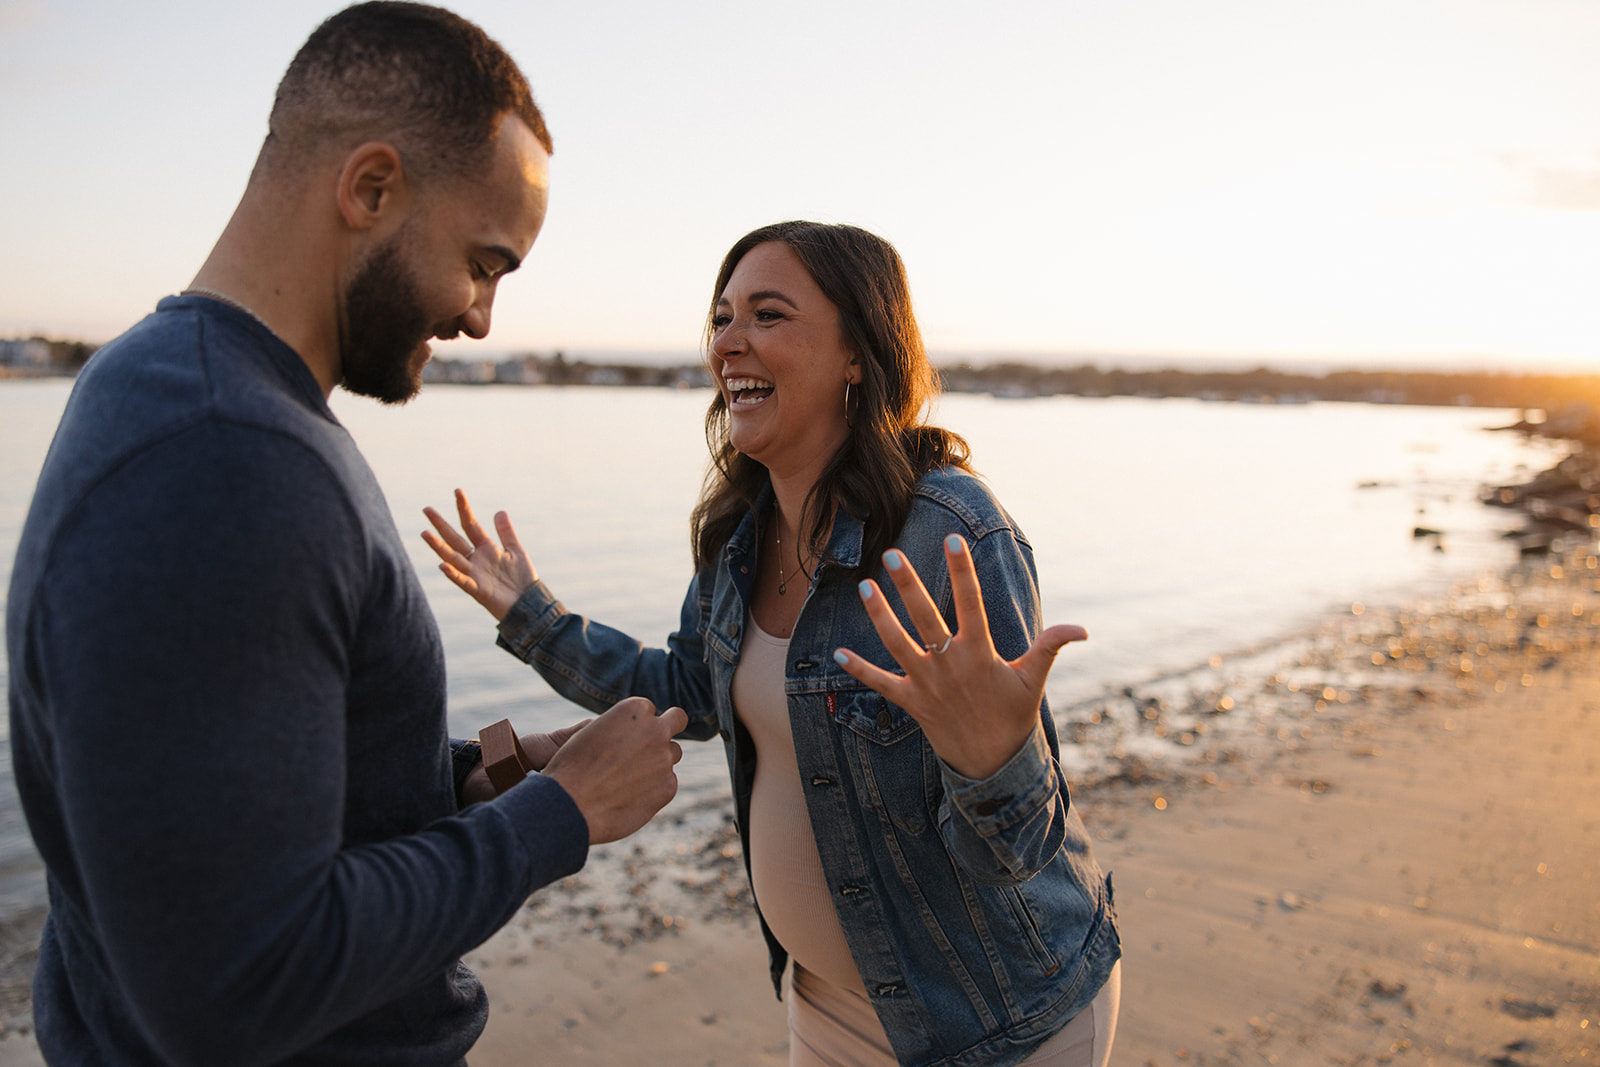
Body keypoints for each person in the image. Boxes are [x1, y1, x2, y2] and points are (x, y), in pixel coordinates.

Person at [4, 4, 686, 1064]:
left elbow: (237, 811)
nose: (480, 319)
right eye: (484, 260)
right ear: (370, 189)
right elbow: (235, 980)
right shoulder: (226, 455)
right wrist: (557, 816)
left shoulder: (169, 384)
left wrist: (464, 777)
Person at [423, 220, 1122, 1066]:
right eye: (722, 318)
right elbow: (686, 686)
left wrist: (993, 760)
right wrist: (533, 616)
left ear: (858, 353)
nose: (729, 343)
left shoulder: (950, 536)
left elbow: (1015, 848)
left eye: (768, 314)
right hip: (824, 1000)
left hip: (998, 1018)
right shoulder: (738, 538)